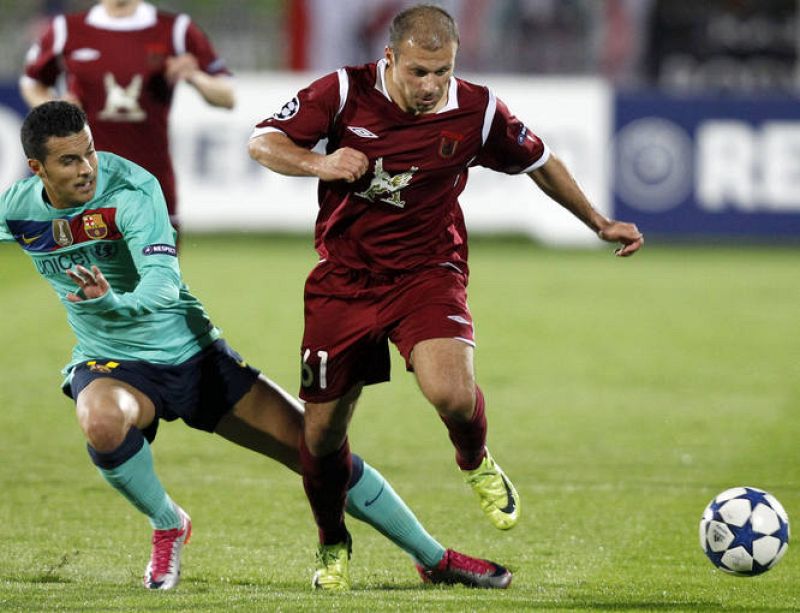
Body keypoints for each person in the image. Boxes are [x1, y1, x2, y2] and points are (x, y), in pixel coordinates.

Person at [0, 101, 514, 592]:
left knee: (318, 451)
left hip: (193, 354)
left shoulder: (132, 188)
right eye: (69, 160)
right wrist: (105, 315)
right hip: (110, 361)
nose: (87, 167)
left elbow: (160, 286)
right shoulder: (17, 208)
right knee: (101, 420)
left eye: (89, 150)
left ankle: (433, 558)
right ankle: (168, 524)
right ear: (37, 168)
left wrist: (112, 301)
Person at [248, 3, 644, 589]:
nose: (432, 86)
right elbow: (262, 141)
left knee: (452, 394)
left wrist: (597, 221)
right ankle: (332, 542)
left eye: (443, 72)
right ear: (391, 60)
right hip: (344, 282)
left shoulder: (477, 111)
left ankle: (474, 460)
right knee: (321, 436)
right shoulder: (341, 92)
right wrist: (320, 163)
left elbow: (540, 161)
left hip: (427, 273)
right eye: (418, 72)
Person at [19, 0, 234, 233]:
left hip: (150, 180)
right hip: (85, 182)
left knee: (157, 269)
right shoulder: (66, 29)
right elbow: (32, 82)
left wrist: (194, 76)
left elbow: (227, 96)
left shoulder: (176, 29)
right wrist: (56, 110)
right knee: (88, 269)